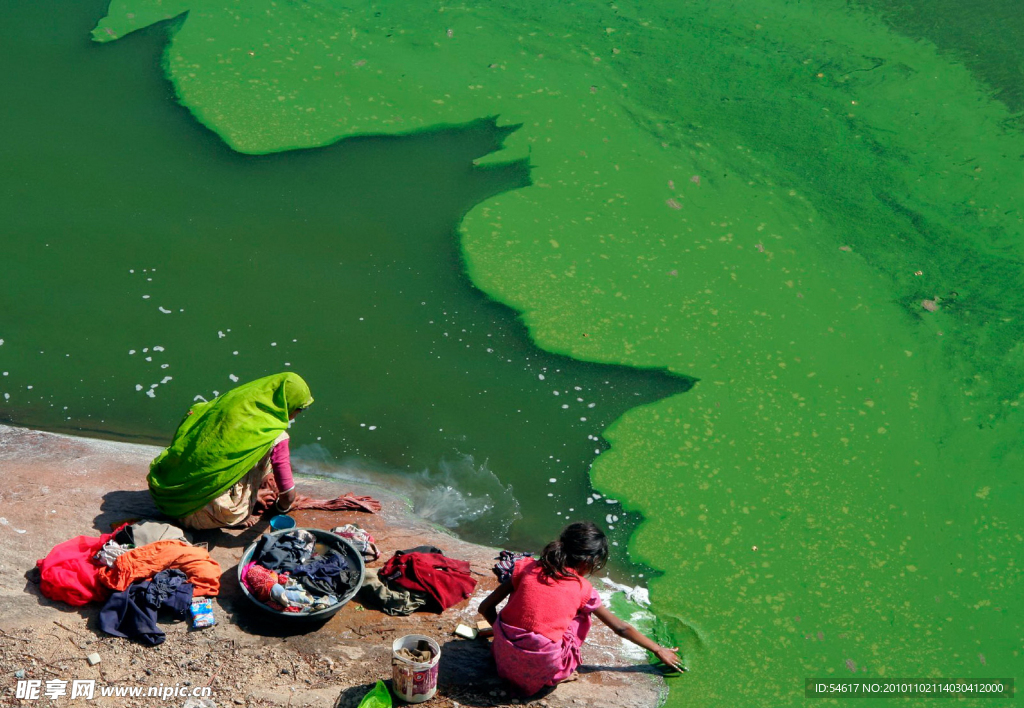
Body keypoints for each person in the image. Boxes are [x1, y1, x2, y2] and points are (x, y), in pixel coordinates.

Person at [478, 521, 684, 696]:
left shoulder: (526, 567)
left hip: (502, 661)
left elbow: (485, 607)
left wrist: (502, 632)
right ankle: (560, 674)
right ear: (589, 561)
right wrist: (658, 649)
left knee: (524, 594)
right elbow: (621, 628)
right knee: (583, 613)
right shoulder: (583, 588)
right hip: (543, 673)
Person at [147, 372, 313, 530]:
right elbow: (288, 496)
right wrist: (280, 508)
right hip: (194, 514)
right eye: (300, 409)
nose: (298, 414)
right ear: (288, 403)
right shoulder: (276, 436)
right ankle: (233, 507)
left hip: (166, 495)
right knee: (270, 455)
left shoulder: (231, 401)